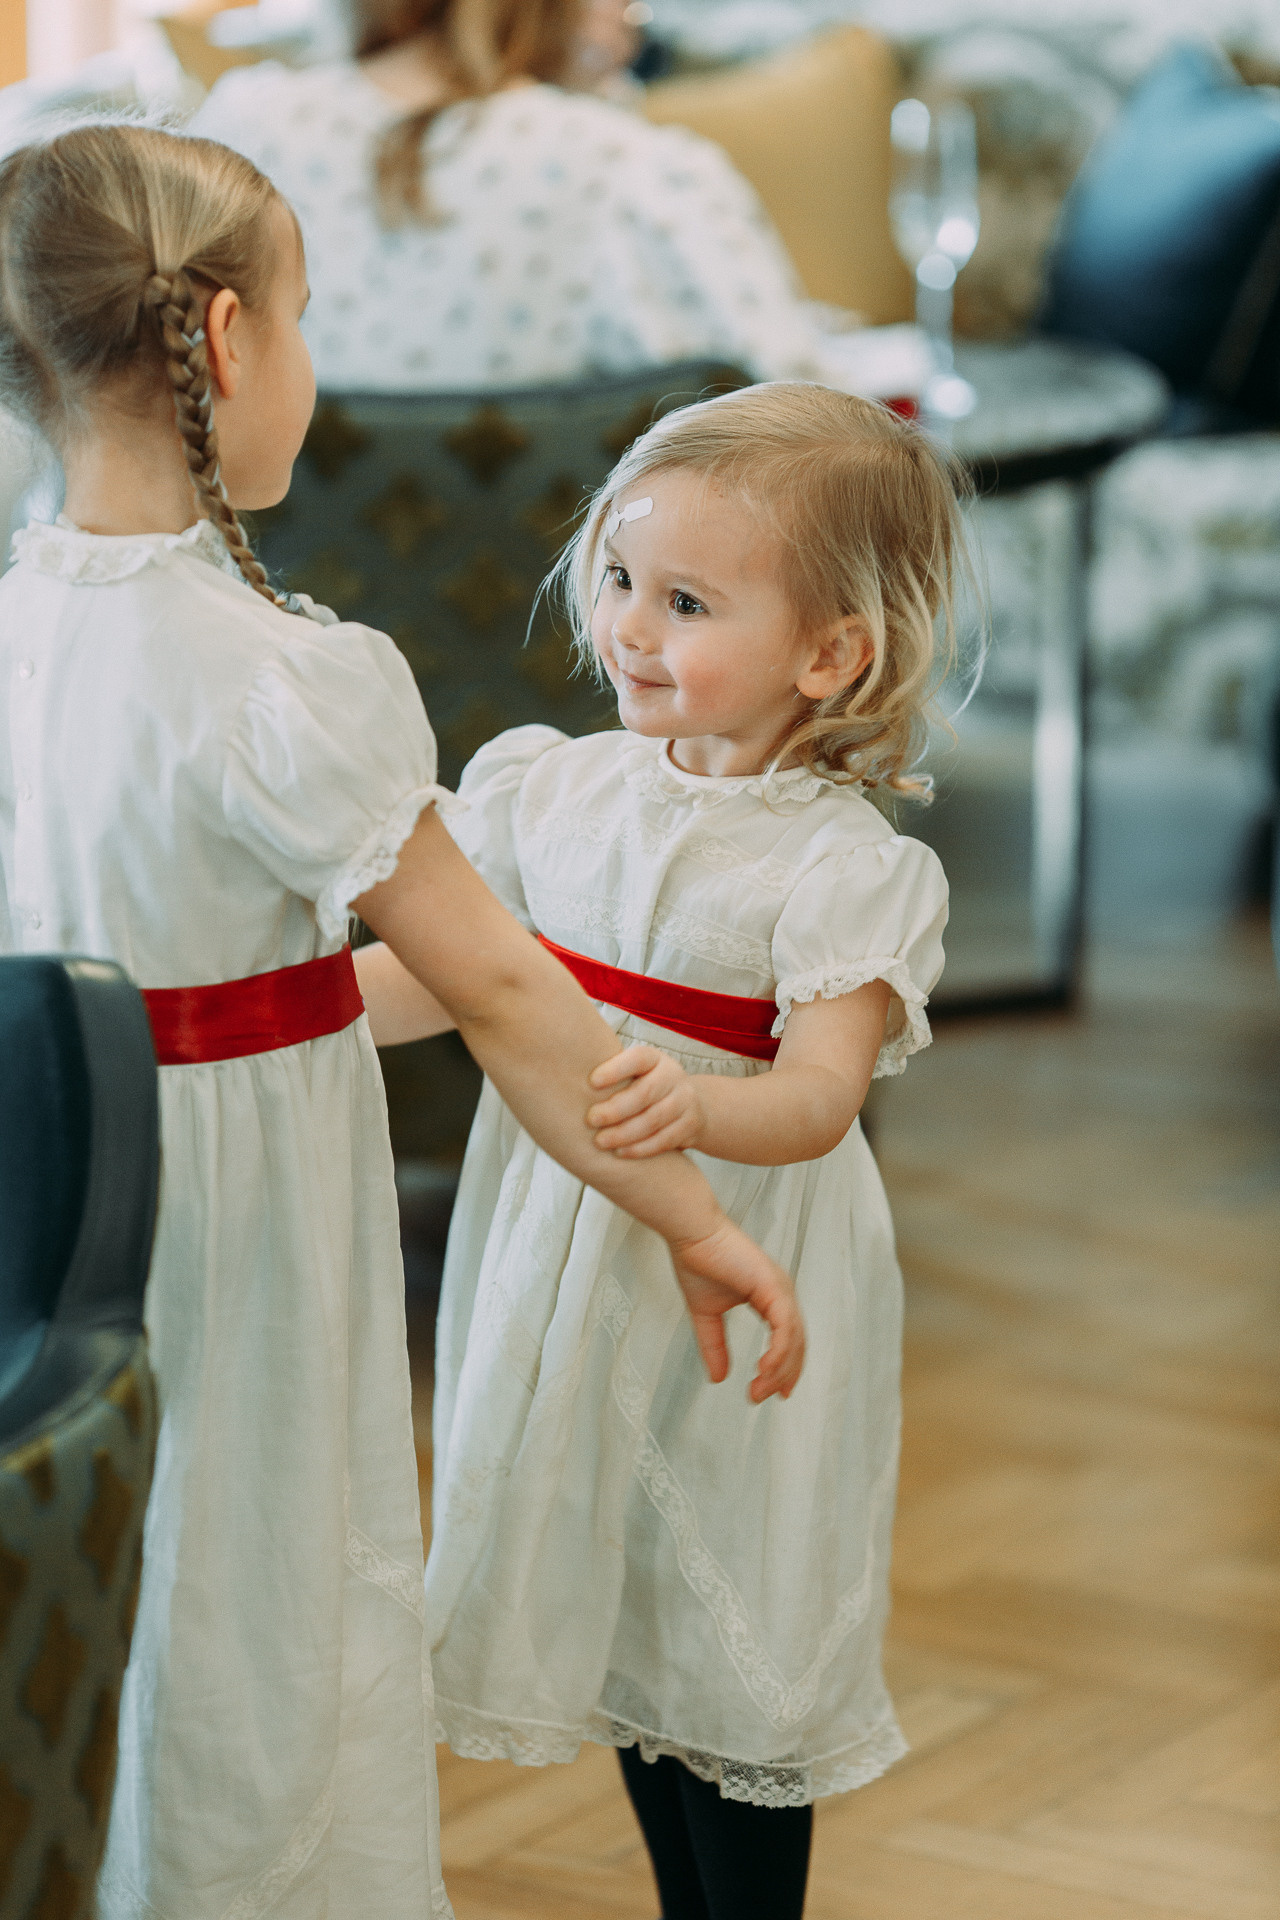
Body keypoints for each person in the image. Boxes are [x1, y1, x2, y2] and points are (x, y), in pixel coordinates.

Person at [0, 121, 802, 1919]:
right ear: (221, 341)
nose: (308, 365)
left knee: (83, 1559)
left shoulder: (15, 632)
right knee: (253, 1574)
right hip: (229, 1221)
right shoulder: (291, 682)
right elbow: (509, 989)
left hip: (40, 1178)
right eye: (303, 321)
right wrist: (695, 1217)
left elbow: (324, 983)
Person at [359, 382, 961, 1918]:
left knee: (731, 1618)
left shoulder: (842, 869)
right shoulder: (551, 791)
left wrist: (695, 1103)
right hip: (564, 1249)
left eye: (687, 602)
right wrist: (254, 1023)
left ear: (832, 652)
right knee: (621, 1602)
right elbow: (444, 975)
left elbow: (820, 1096)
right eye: (621, 578)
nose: (629, 626)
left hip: (748, 1257)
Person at [189, 0, 860, 392]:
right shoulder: (636, 170)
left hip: (281, 619)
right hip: (579, 628)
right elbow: (815, 438)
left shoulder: (235, 134)